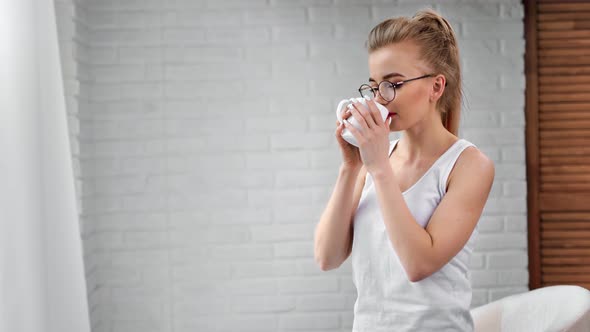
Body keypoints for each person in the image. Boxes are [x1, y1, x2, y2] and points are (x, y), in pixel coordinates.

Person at [313, 8, 495, 332]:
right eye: (374, 86)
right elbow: (327, 256)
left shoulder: (469, 166)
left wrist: (379, 168)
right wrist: (350, 167)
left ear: (436, 87)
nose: (380, 99)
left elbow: (418, 264)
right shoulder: (372, 163)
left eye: (393, 84)